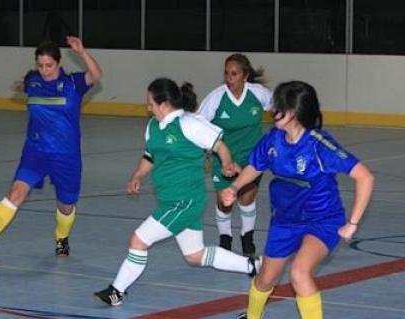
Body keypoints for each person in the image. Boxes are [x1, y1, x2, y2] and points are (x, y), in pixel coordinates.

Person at [94, 78, 261, 306]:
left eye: (151, 103)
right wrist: (137, 175)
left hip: (184, 201)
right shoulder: (153, 126)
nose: (148, 108)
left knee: (138, 240)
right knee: (195, 256)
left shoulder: (189, 123)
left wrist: (226, 163)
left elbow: (219, 145)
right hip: (169, 200)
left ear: (164, 104)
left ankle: (117, 291)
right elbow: (150, 156)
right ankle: (252, 266)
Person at [220, 81, 374, 319]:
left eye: (280, 107)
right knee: (265, 280)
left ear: (294, 113)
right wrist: (235, 186)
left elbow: (365, 177)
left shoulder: (319, 145)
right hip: (284, 221)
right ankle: (251, 317)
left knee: (300, 273)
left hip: (322, 220)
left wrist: (352, 223)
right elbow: (255, 166)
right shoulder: (273, 140)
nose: (273, 111)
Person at [0, 36, 102, 263]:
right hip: (35, 152)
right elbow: (22, 86)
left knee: (66, 205)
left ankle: (61, 237)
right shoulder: (34, 81)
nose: (44, 70)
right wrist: (19, 85)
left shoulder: (74, 84)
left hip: (66, 156)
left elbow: (96, 75)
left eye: (49, 65)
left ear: (59, 63)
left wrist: (82, 52)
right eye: (40, 65)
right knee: (15, 193)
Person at [197, 53, 272, 256]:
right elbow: (197, 125)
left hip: (252, 157)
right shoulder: (216, 97)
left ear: (244, 76)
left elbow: (280, 110)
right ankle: (225, 238)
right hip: (223, 157)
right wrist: (204, 153)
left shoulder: (258, 94)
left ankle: (247, 237)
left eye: (234, 74)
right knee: (225, 200)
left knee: (246, 198)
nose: (229, 78)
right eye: (226, 73)